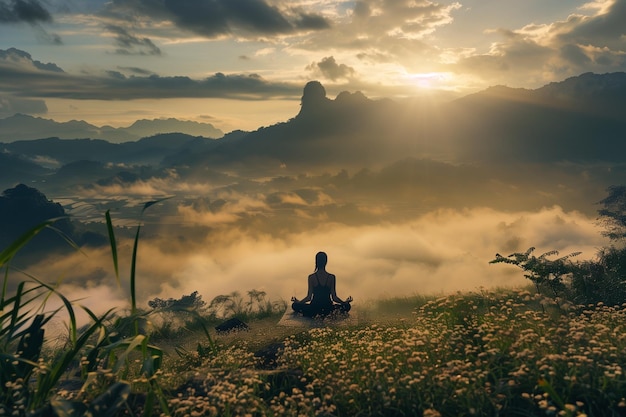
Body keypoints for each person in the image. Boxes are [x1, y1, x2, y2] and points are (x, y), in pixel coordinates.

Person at [291, 251, 353, 318]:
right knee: (347, 306)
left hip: (314, 309)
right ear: (326, 262)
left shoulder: (311, 277)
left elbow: (309, 297)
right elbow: (334, 298)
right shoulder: (331, 277)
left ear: (316, 262)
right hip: (328, 308)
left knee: (294, 305)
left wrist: (299, 302)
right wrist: (344, 302)